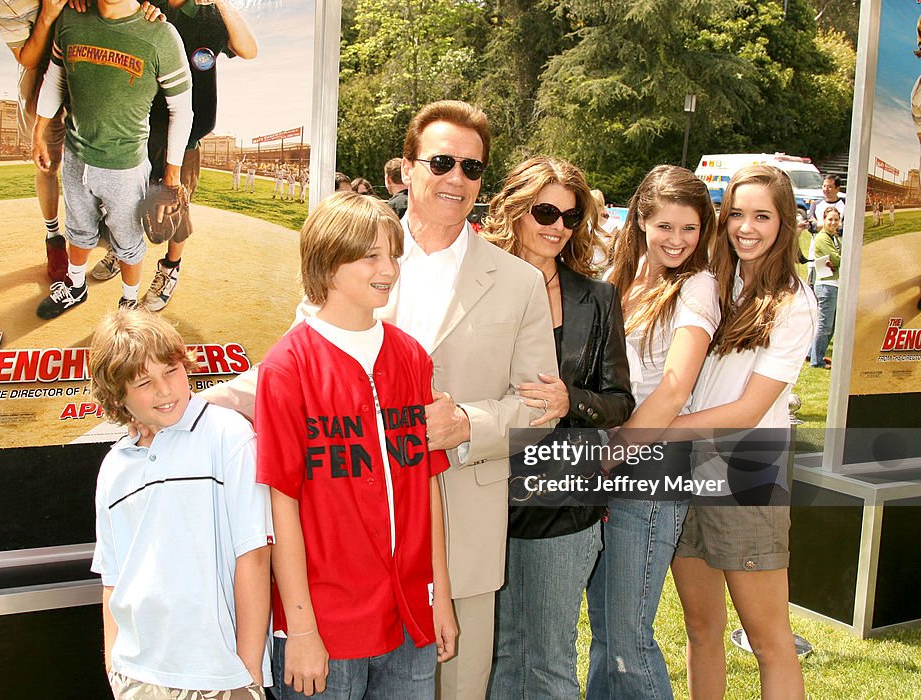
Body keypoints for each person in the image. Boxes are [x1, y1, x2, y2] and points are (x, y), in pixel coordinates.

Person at [201, 101, 560, 700]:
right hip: (342, 549)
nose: (456, 178)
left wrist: (466, 423)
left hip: (457, 531)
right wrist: (190, 407)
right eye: (442, 161)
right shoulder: (356, 250)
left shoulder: (519, 280)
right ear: (409, 166)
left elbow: (540, 406)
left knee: (459, 688)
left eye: (472, 168)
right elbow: (294, 367)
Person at [256, 191, 456, 699]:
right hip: (326, 625)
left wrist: (442, 597)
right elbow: (282, 504)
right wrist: (299, 628)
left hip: (410, 614)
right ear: (327, 262)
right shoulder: (288, 367)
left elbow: (426, 484)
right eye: (371, 255)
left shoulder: (411, 357)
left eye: (393, 254)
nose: (388, 268)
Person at [482, 157, 634, 699]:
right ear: (516, 208)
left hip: (561, 499)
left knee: (547, 657)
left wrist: (573, 401)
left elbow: (620, 403)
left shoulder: (597, 298)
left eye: (570, 217)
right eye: (545, 210)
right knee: (489, 652)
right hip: (482, 491)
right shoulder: (476, 281)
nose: (556, 226)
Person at [671, 164, 816, 699]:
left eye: (762, 215)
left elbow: (748, 410)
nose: (746, 227)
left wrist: (651, 433)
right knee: (702, 629)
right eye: (736, 214)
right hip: (686, 469)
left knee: (767, 638)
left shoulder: (794, 302)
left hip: (744, 473)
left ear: (786, 223)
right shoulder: (708, 282)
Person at [89, 309, 272, 700]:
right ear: (118, 395)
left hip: (222, 675)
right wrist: (114, 670)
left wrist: (248, 671)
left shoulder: (228, 434)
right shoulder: (113, 469)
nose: (164, 390)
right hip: (136, 677)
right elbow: (113, 579)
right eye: (143, 382)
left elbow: (254, 555)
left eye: (170, 371)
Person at [587, 165, 720, 700]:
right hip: (609, 458)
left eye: (689, 228)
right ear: (640, 220)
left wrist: (610, 456)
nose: (678, 240)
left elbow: (672, 389)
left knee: (628, 638)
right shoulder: (622, 277)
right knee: (604, 632)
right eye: (665, 226)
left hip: (649, 469)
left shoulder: (698, 286)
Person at [87, 0, 258, 312]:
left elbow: (248, 49)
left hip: (187, 134)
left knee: (175, 206)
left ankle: (170, 268)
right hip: (140, 128)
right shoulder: (145, 5)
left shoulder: (211, 15)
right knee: (127, 199)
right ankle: (122, 249)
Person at [31, 0, 193, 318]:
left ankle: (129, 304)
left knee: (128, 240)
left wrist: (172, 175)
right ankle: (76, 287)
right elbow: (55, 76)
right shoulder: (72, 19)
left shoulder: (161, 34)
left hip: (125, 165)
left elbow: (181, 110)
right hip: (76, 154)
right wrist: (39, 130)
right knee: (77, 228)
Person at [810, 205, 842, 369]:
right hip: (826, 285)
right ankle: (817, 360)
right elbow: (837, 260)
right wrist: (838, 259)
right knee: (825, 325)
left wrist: (838, 258)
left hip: (834, 284)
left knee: (832, 325)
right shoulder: (823, 238)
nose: (833, 222)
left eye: (836, 219)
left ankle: (815, 354)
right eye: (830, 219)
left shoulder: (834, 237)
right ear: (824, 220)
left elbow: (838, 258)